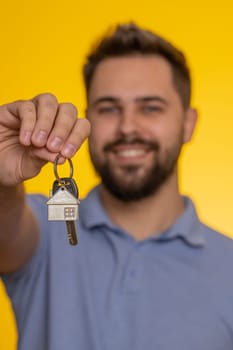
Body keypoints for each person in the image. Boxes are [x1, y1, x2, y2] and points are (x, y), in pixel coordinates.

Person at [1, 23, 233, 350]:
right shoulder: (43, 231)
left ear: (188, 123)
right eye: (109, 108)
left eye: (150, 107)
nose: (127, 127)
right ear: (87, 120)